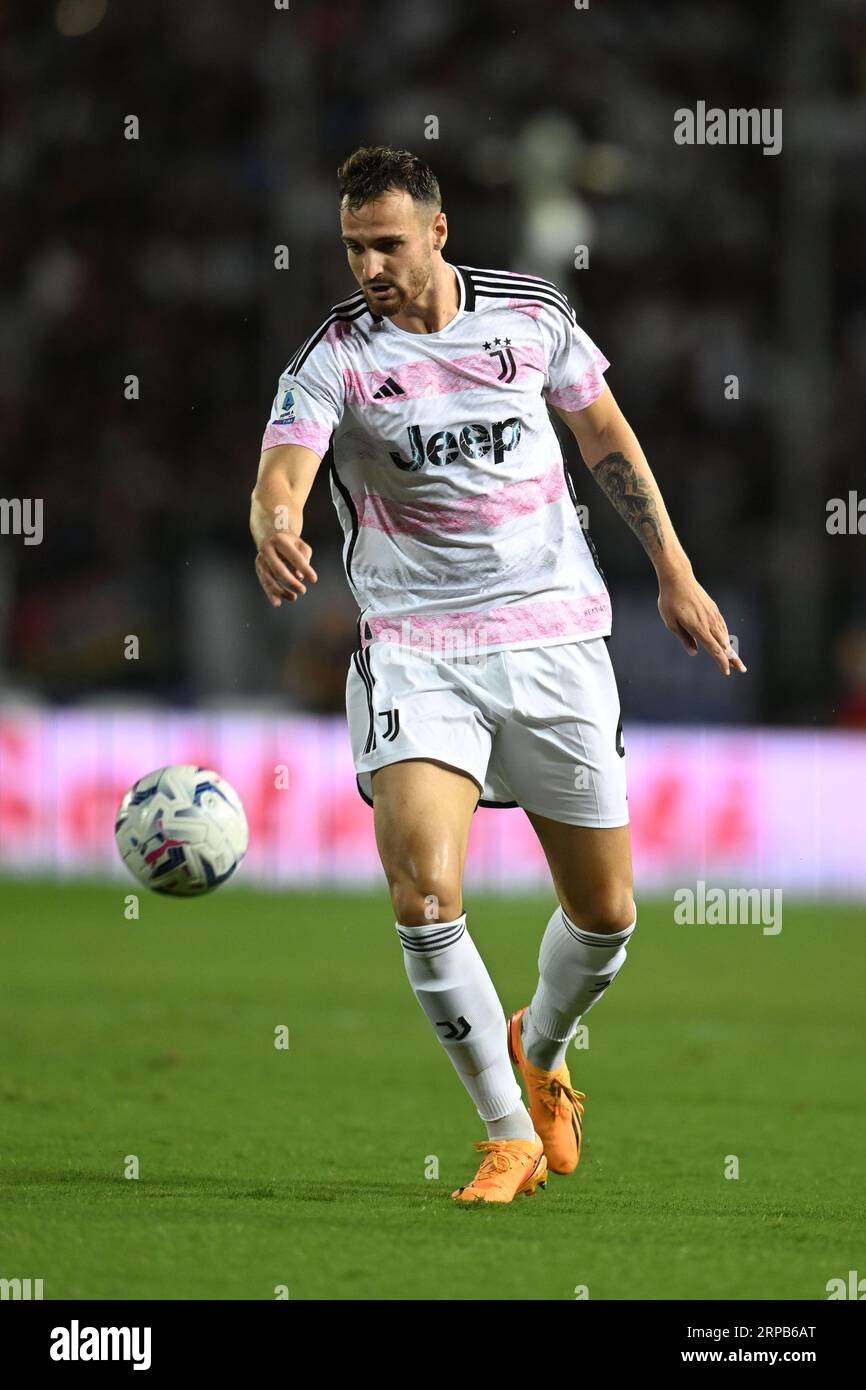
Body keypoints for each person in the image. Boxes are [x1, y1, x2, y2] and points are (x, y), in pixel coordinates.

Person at [250, 145, 746, 1204]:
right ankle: (502, 1130)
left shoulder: (529, 319)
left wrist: (673, 570)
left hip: (555, 640)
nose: (369, 265)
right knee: (425, 889)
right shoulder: (332, 357)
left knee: (605, 914)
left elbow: (602, 428)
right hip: (415, 647)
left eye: (386, 243)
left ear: (438, 232)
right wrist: (276, 525)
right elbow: (281, 469)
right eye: (352, 247)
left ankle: (543, 1039)